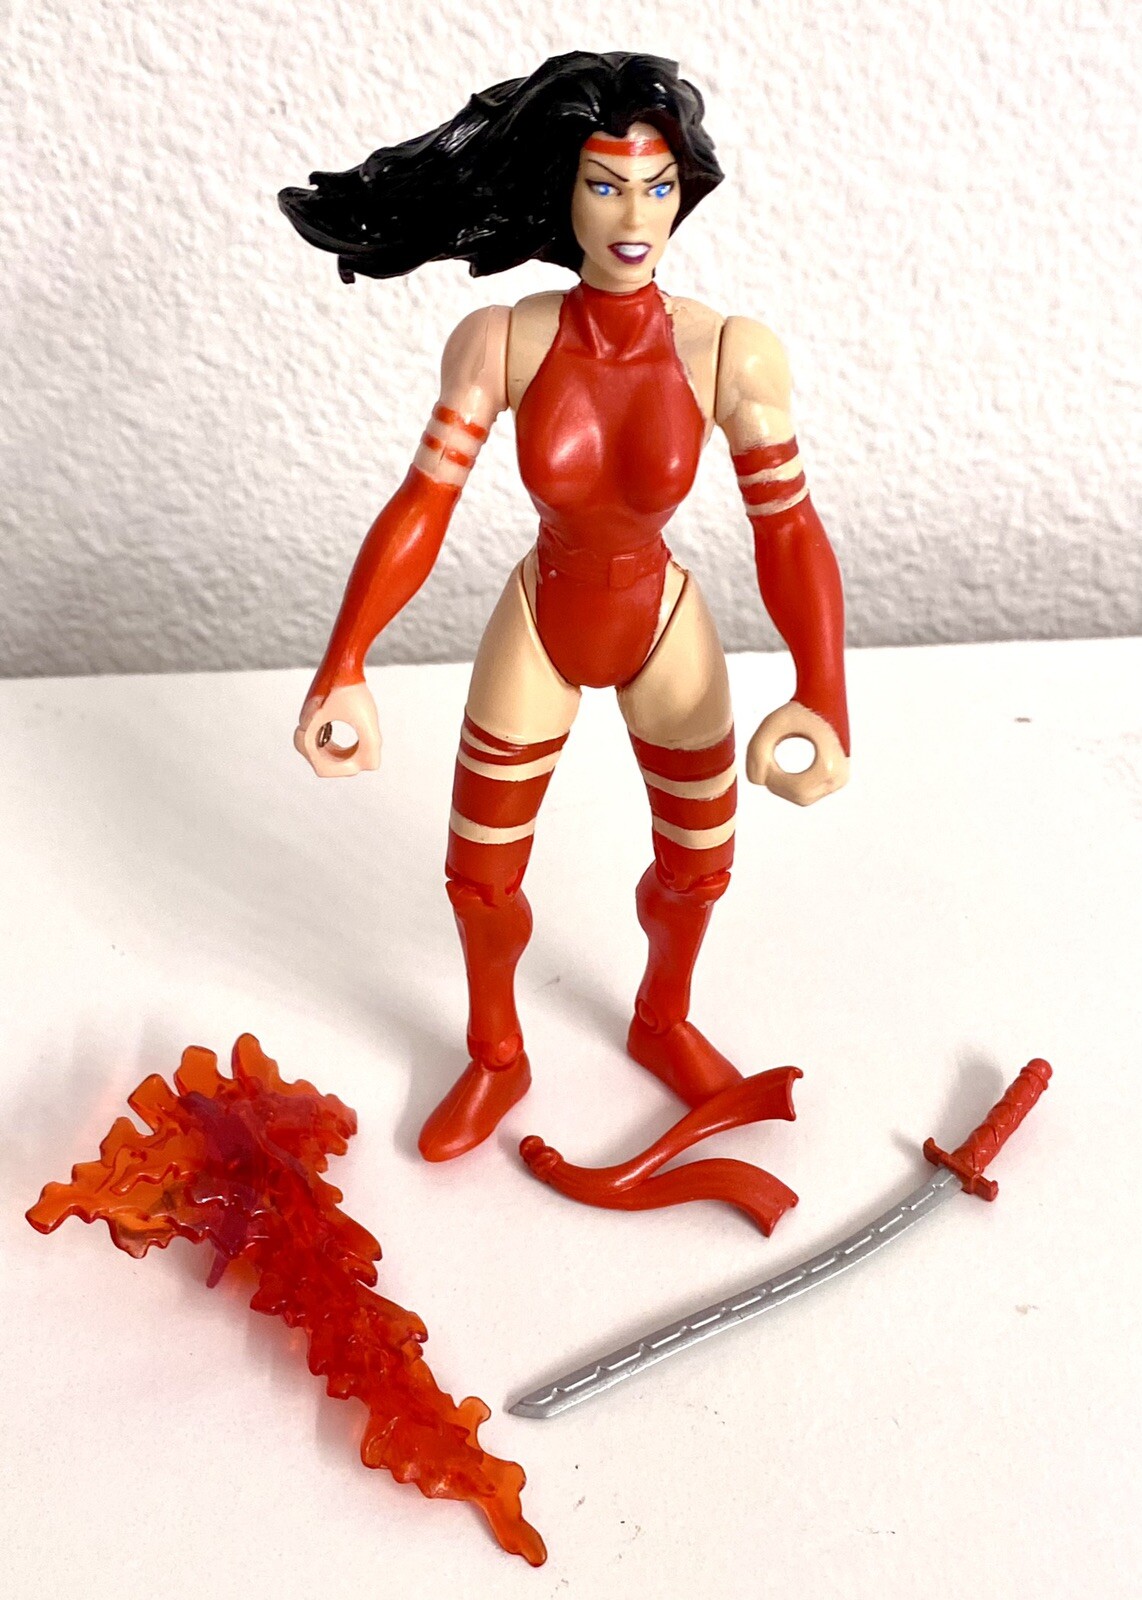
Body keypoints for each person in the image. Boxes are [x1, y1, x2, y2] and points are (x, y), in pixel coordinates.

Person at [280, 50, 849, 1165]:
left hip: (659, 621)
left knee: (699, 869)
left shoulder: (729, 351)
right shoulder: (506, 339)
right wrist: (343, 662)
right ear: (564, 193)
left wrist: (822, 691)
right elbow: (424, 502)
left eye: (657, 186)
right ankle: (495, 1052)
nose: (634, 217)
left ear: (682, 192)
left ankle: (661, 1018)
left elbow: (787, 524)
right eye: (605, 185)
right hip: (543, 616)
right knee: (479, 878)